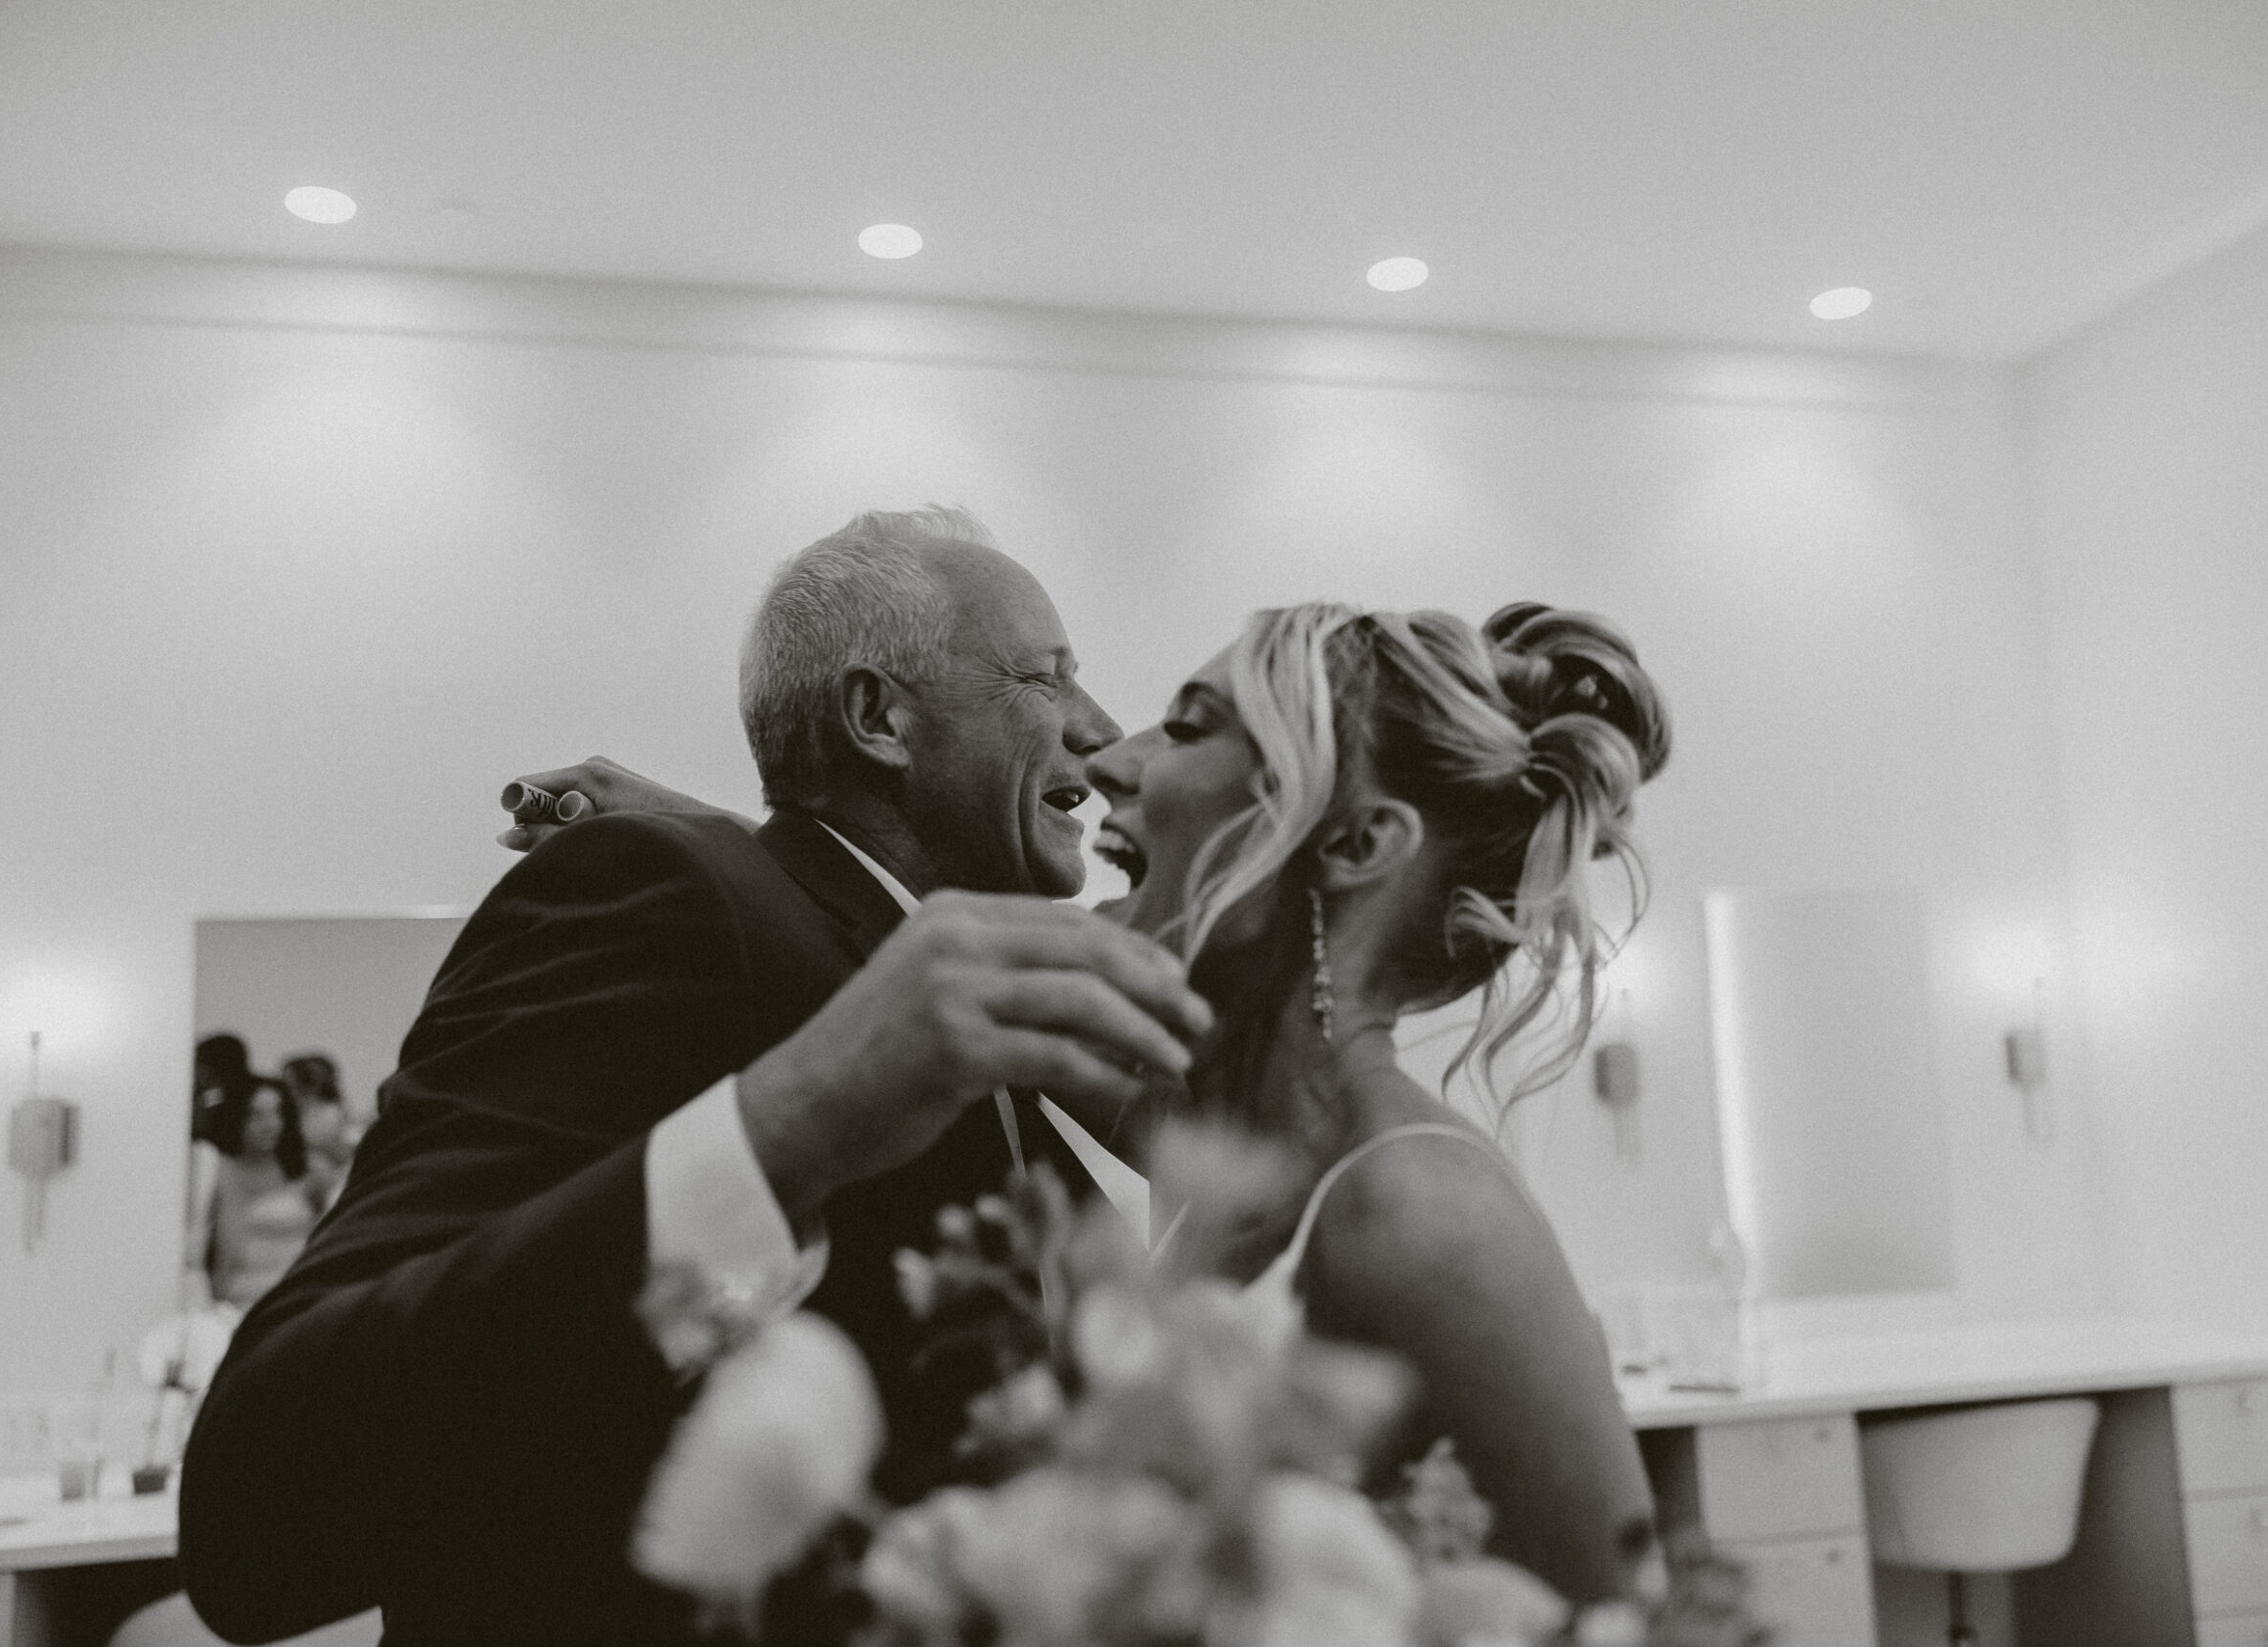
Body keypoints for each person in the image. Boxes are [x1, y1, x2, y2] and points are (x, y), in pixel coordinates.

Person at [180, 508, 1211, 1647]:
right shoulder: (657, 893)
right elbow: (259, 1507)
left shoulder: (915, 981)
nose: (1104, 734)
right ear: (879, 716)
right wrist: (788, 1128)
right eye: (1045, 678)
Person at [520, 596, 1671, 1606]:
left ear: (1359, 841)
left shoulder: (1419, 1213)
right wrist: (730, 845)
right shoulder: (1241, 1141)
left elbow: (1623, 1619)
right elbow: (930, 956)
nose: (1114, 758)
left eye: (1190, 723)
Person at [187, 1077, 331, 1308]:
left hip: (299, 1295)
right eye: (256, 1115)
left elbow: (327, 1239)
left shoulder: (308, 1171)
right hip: (237, 1300)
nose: (269, 1124)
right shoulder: (218, 1169)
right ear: (237, 1118)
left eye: (277, 1113)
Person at [280, 1052, 357, 1208]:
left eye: (290, 1084)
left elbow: (343, 1153)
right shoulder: (285, 1114)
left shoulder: (332, 1114)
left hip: (329, 1179)